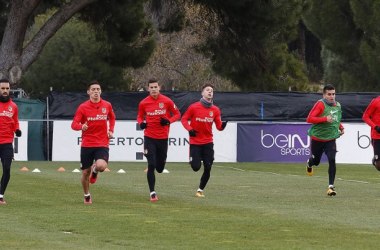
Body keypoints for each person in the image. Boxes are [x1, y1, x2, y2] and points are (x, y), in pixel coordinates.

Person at [71, 81, 115, 204]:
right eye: (93, 89)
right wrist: (81, 126)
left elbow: (112, 117)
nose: (96, 91)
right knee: (85, 172)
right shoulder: (83, 107)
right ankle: (87, 195)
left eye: (98, 89)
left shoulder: (107, 105)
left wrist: (111, 130)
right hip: (87, 144)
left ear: (100, 91)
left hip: (102, 143)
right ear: (88, 92)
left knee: (101, 166)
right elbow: (73, 124)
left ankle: (95, 170)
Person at [137, 78, 181, 201]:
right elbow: (140, 116)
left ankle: (162, 160)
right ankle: (152, 193)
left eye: (155, 87)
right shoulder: (143, 103)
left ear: (159, 87)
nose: (153, 89)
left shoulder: (167, 101)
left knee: (160, 168)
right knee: (151, 164)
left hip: (163, 138)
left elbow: (177, 114)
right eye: (151, 87)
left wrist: (168, 121)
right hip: (149, 136)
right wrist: (141, 123)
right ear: (148, 89)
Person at [181, 83, 227, 198]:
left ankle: (200, 190)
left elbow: (218, 127)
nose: (210, 92)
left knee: (208, 168)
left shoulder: (215, 110)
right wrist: (190, 129)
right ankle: (192, 159)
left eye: (211, 90)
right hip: (195, 142)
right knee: (196, 167)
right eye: (207, 90)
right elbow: (184, 119)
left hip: (208, 142)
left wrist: (223, 126)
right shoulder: (194, 107)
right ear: (202, 93)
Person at [306, 84, 344, 196]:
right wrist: (324, 119)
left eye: (333, 94)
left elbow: (336, 119)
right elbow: (309, 119)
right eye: (329, 94)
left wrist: (340, 127)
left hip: (330, 138)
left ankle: (331, 187)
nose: (332, 96)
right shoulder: (320, 104)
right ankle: (310, 163)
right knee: (316, 161)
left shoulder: (338, 106)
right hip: (318, 138)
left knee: (332, 159)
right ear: (324, 95)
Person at [0, 78, 21, 204]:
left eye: (7, 88)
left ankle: (1, 195)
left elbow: (15, 121)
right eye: (3, 88)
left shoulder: (13, 106)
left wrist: (17, 129)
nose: (5, 91)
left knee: (7, 169)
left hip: (7, 143)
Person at [362, 95, 380, 169]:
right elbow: (365, 116)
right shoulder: (375, 101)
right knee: (379, 165)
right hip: (377, 136)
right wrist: (375, 127)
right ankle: (375, 159)